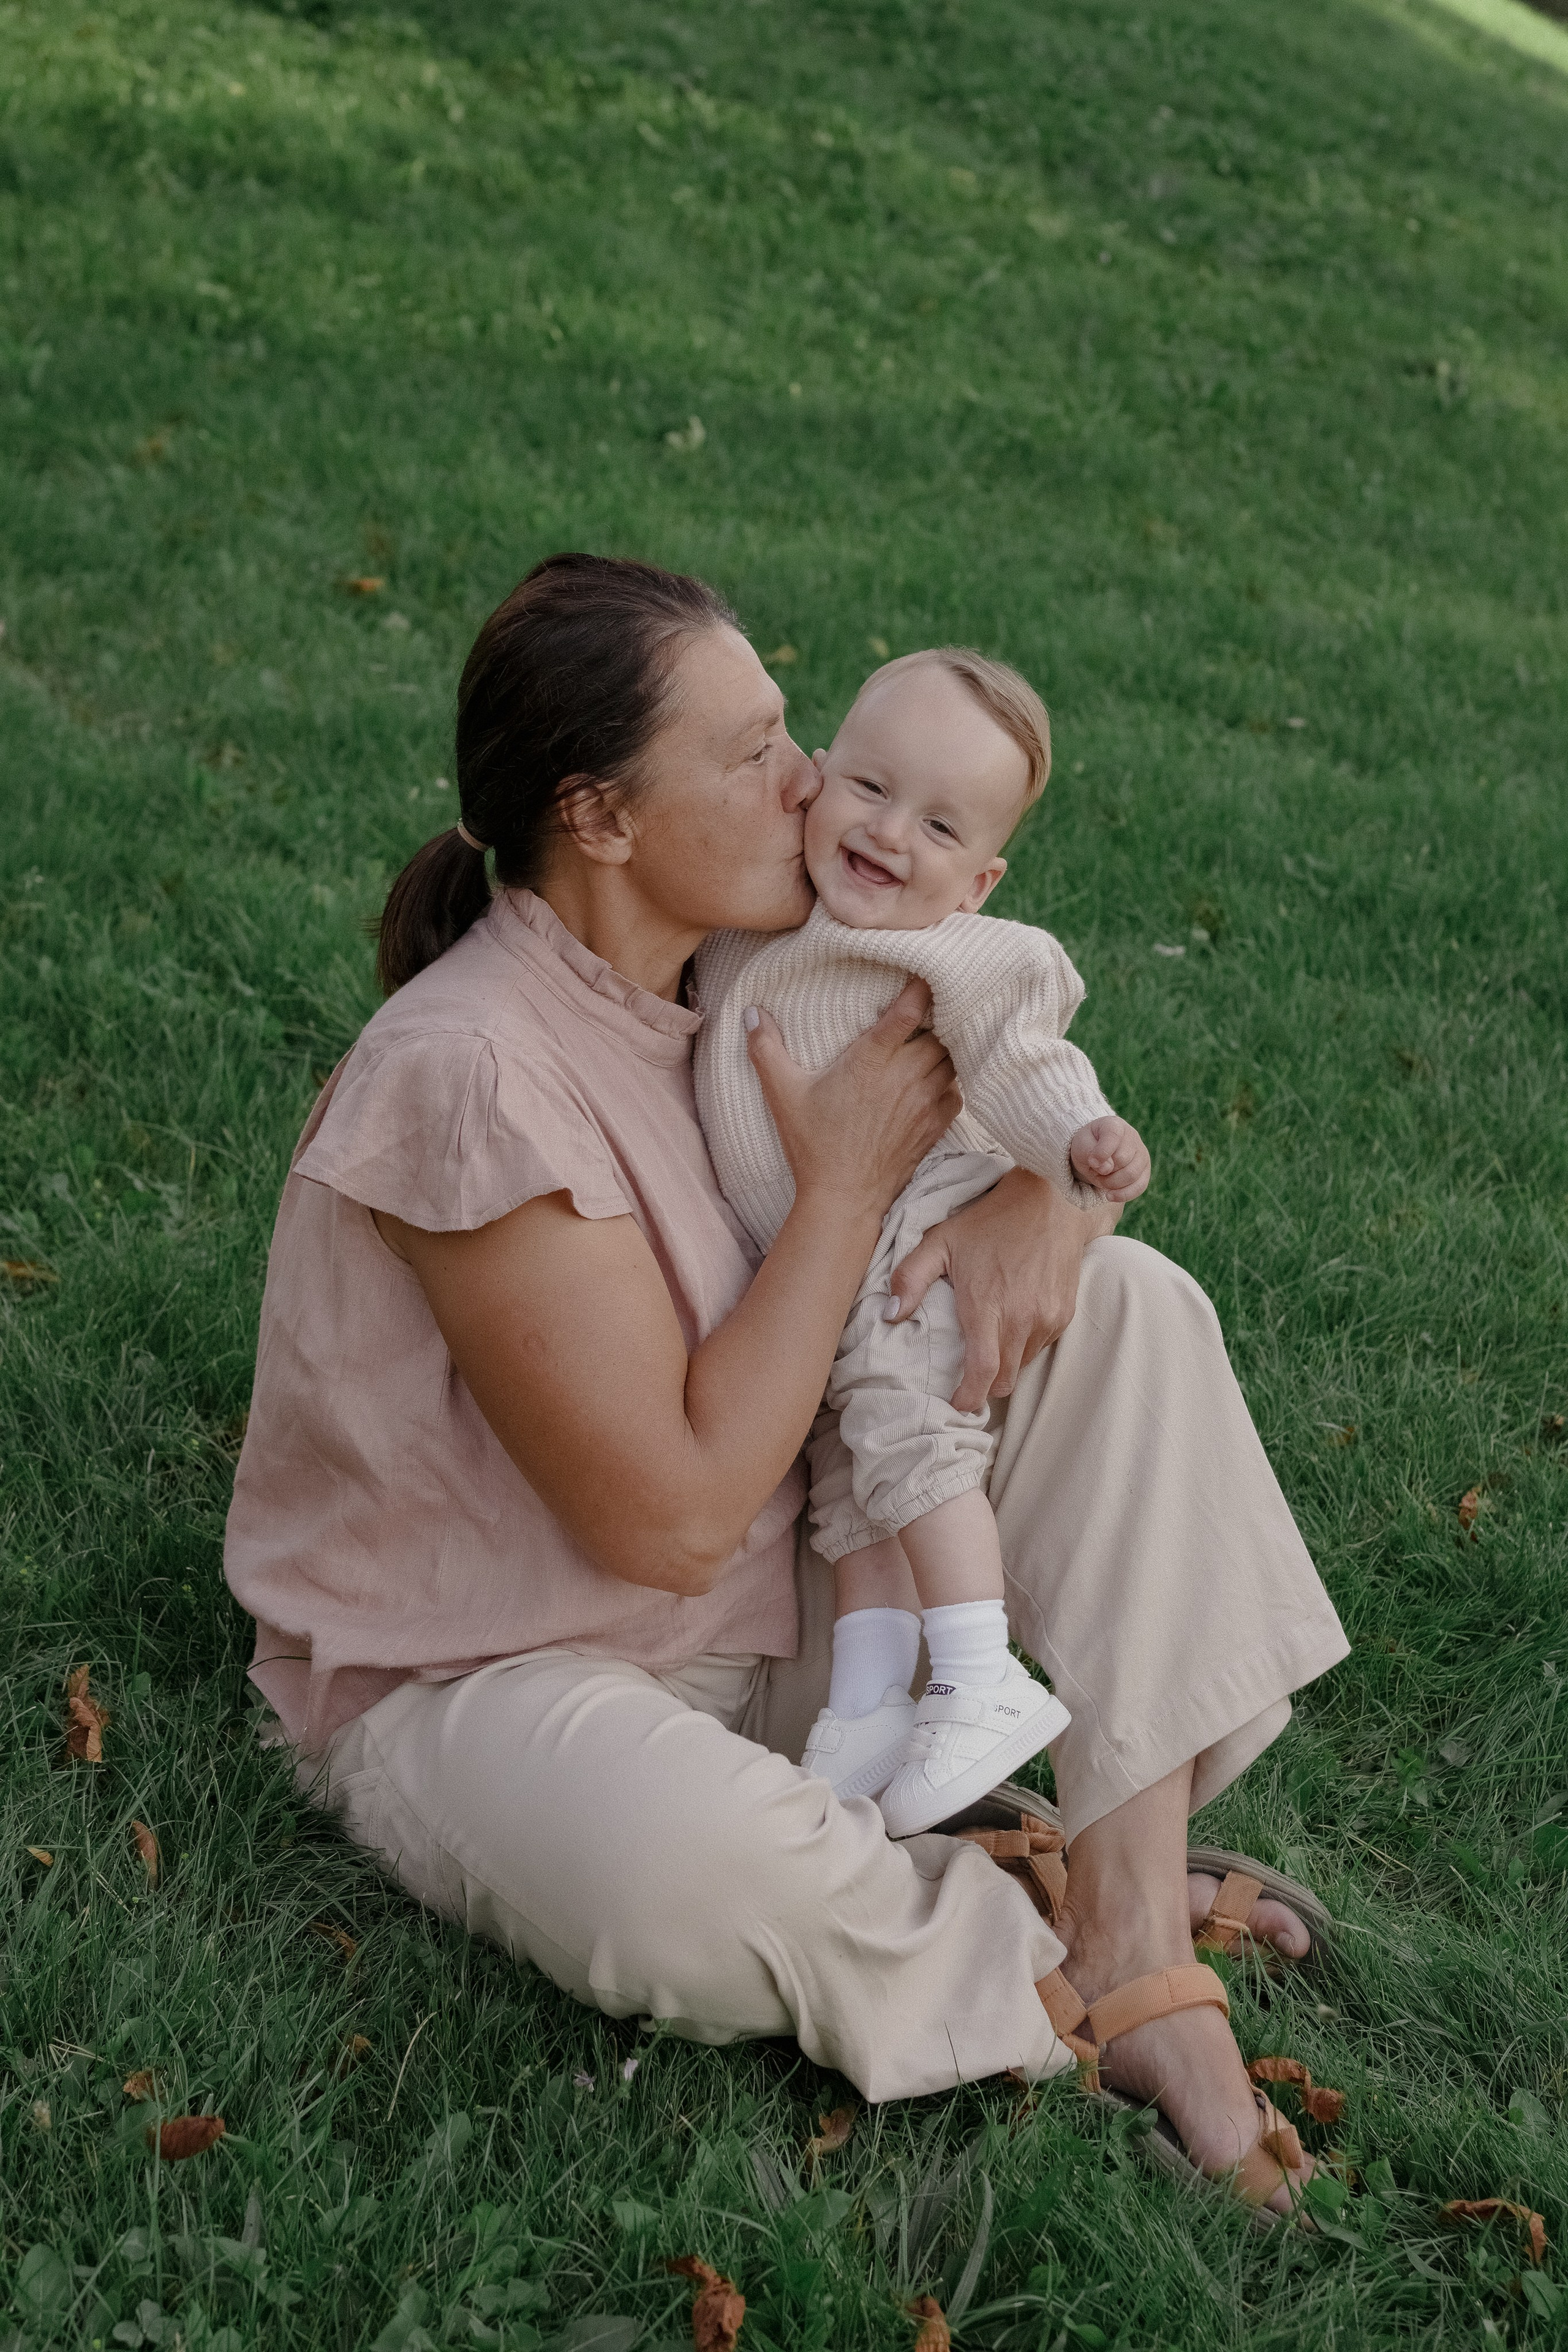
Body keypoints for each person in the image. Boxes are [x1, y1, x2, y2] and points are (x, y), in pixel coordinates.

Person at [225, 552, 1349, 2218]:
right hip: (494, 1678)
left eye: (791, 729)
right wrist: (836, 1194)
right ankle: (1027, 1947)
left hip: (778, 1616)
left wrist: (1060, 1199)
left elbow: (1014, 1080)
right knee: (668, 1872)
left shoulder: (734, 973)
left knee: (1137, 1313)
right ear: (602, 819)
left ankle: (1120, 1911)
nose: (813, 783)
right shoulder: (468, 1079)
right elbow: (666, 1523)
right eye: (754, 754)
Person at [693, 647, 1152, 1835]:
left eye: (938, 825)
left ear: (979, 880)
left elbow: (1022, 1055)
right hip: (824, 1259)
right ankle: (865, 1712)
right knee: (854, 1486)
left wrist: (1079, 1141)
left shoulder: (953, 952)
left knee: (908, 1430)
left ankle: (976, 1670)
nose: (890, 833)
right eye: (870, 788)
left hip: (915, 1238)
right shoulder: (760, 919)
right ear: (818, 776)